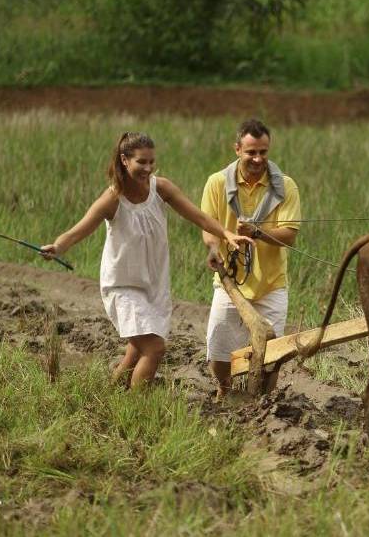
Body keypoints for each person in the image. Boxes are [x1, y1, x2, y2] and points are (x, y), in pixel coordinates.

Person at [41, 132, 253, 389]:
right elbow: (80, 229)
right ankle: (135, 410)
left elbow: (198, 216)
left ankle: (111, 394)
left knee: (135, 350)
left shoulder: (160, 188)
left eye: (152, 162)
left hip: (153, 284)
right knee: (154, 348)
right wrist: (59, 246)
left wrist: (225, 233)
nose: (148, 168)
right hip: (123, 285)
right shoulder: (113, 198)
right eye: (141, 162)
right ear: (124, 160)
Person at [201, 118, 301, 398]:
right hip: (229, 282)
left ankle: (263, 401)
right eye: (251, 152)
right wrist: (213, 250)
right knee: (219, 350)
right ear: (237, 150)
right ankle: (225, 389)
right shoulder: (217, 183)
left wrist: (257, 232)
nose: (257, 158)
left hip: (271, 283)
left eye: (263, 152)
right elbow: (208, 228)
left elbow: (290, 235)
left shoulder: (285, 186)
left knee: (272, 355)